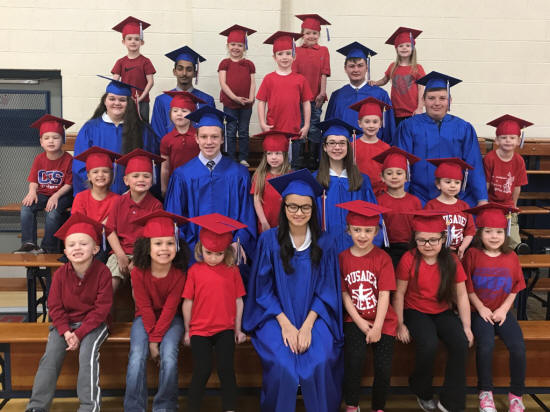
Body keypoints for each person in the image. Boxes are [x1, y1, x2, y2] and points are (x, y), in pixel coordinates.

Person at [243, 169, 344, 412]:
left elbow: (328, 289)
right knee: (284, 364)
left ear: (313, 209)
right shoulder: (269, 240)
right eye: (293, 207)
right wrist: (286, 325)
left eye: (305, 207)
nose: (299, 213)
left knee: (319, 360)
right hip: (274, 315)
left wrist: (307, 325)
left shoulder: (325, 242)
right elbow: (263, 290)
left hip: (316, 314)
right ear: (284, 207)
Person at [25, 213, 112, 412]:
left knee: (87, 354)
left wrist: (79, 334)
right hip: (65, 325)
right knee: (50, 357)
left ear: (95, 249)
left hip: (94, 324)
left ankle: (89, 407)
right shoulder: (60, 275)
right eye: (72, 245)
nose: (77, 248)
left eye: (83, 244)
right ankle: (37, 406)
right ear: (65, 251)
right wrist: (66, 332)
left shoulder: (103, 273)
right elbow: (55, 307)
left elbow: (101, 310)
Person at [393, 210, 473, 412]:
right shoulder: (409, 258)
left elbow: (462, 295)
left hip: (443, 310)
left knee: (461, 343)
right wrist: (400, 324)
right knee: (428, 344)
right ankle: (422, 389)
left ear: (443, 238)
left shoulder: (451, 260)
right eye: (421, 240)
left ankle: (451, 401)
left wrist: (466, 327)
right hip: (415, 310)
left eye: (433, 240)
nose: (427, 245)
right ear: (415, 240)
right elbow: (399, 294)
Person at [164, 106, 256, 263]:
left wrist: (238, 242)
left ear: (222, 139)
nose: (209, 142)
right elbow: (175, 218)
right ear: (196, 138)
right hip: (194, 253)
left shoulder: (239, 174)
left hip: (230, 252)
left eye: (214, 137)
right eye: (204, 137)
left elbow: (247, 216)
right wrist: (190, 249)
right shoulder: (182, 175)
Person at [462, 203, 527, 412]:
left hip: (502, 311)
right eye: (488, 231)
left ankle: (516, 395)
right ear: (480, 233)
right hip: (479, 312)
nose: (493, 236)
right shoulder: (472, 255)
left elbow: (516, 286)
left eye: (499, 232)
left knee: (518, 348)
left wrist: (504, 309)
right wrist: (481, 308)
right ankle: (485, 392)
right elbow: (466, 286)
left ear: (505, 233)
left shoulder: (511, 257)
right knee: (486, 345)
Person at [123, 211, 189, 412]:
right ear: (147, 247)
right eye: (158, 243)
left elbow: (170, 309)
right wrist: (153, 339)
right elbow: (144, 307)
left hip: (172, 319)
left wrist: (155, 339)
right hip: (145, 317)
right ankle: (134, 407)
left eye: (170, 243)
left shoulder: (179, 275)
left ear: (177, 246)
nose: (164, 249)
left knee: (169, 355)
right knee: (136, 356)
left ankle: (165, 407)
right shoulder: (138, 273)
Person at [182, 214, 248, 412]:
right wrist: (187, 330)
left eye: (218, 254)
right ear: (200, 248)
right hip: (199, 330)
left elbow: (238, 301)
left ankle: (230, 408)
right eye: (208, 253)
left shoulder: (232, 271)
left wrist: (238, 329)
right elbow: (187, 302)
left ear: (226, 251)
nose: (213, 258)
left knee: (226, 370)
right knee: (202, 370)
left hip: (225, 329)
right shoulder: (194, 271)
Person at [337, 200, 398, 412]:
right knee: (354, 360)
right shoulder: (342, 258)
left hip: (383, 320)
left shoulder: (383, 258)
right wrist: (361, 323)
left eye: (368, 230)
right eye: (357, 230)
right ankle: (352, 404)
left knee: (383, 368)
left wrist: (378, 326)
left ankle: (378, 407)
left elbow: (384, 294)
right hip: (355, 319)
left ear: (376, 232)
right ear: (348, 230)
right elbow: (345, 295)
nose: (362, 235)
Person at [395, 71, 488, 206]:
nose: (437, 103)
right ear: (423, 100)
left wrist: (482, 198)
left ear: (450, 101)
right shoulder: (409, 126)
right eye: (431, 98)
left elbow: (474, 164)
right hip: (418, 196)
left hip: (455, 198)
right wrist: (401, 196)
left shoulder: (463, 128)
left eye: (442, 98)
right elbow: (401, 163)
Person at [73, 76, 160, 195]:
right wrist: (98, 191)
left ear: (129, 103)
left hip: (132, 195)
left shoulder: (142, 130)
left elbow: (149, 165)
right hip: (99, 195)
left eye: (122, 100)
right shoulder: (90, 129)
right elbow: (80, 164)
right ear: (105, 101)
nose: (117, 103)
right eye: (112, 99)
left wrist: (133, 192)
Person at [314, 118, 380, 253]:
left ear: (348, 146)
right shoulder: (314, 180)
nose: (337, 147)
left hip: (356, 250)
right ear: (325, 147)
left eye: (342, 143)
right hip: (324, 250)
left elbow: (374, 217)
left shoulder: (362, 180)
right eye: (332, 143)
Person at [106, 149, 164, 293]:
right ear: (126, 180)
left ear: (152, 179)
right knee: (109, 283)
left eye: (146, 176)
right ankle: (104, 309)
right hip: (120, 251)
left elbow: (154, 237)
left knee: (138, 284)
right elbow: (110, 230)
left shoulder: (156, 206)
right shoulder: (119, 202)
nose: (141, 179)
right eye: (135, 176)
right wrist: (120, 255)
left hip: (145, 253)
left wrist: (139, 259)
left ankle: (140, 309)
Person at [15, 115, 74, 254]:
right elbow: (34, 180)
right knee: (27, 207)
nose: (51, 141)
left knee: (52, 212)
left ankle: (48, 248)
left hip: (62, 194)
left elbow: (69, 184)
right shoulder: (39, 159)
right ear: (41, 142)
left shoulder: (68, 159)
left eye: (55, 137)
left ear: (63, 140)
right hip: (43, 193)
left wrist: (56, 196)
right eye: (46, 138)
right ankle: (29, 243)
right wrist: (32, 192)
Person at [257, 31, 314, 168]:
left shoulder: (300, 79)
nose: (284, 57)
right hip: (274, 131)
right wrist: (263, 123)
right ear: (274, 57)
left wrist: (306, 125)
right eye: (280, 54)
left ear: (294, 56)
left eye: (288, 53)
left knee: (293, 166)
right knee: (274, 166)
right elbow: (261, 102)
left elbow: (306, 103)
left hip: (294, 132)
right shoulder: (269, 78)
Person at [325, 41, 395, 144]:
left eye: (360, 65)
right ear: (345, 69)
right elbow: (329, 129)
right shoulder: (337, 96)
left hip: (373, 149)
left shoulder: (380, 94)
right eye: (351, 66)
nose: (356, 70)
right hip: (345, 150)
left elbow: (389, 128)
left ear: (367, 68)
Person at [485, 115, 532, 250]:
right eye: (504, 137)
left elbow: (517, 186)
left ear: (519, 141)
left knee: (512, 229)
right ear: (497, 140)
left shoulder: (519, 161)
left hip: (508, 205)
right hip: (491, 204)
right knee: (491, 230)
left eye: (512, 138)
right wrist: (485, 203)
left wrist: (514, 205)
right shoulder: (490, 158)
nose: (508, 140)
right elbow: (486, 183)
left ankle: (517, 248)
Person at [150, 46, 215, 139]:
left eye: (189, 69)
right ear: (174, 71)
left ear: (195, 73)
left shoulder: (207, 101)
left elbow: (211, 131)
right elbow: (157, 133)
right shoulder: (161, 101)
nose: (184, 73)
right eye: (180, 69)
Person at [292, 14, 331, 169]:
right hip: (299, 98)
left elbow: (324, 73)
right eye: (307, 33)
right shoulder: (296, 51)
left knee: (314, 126)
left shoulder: (323, 51)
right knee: (300, 126)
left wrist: (322, 92)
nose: (311, 36)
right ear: (302, 34)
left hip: (316, 97)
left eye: (314, 33)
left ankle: (313, 159)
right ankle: (300, 158)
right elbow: (294, 76)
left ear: (319, 34)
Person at [373, 146, 422, 267]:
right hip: (387, 249)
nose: (394, 176)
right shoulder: (379, 201)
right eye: (389, 173)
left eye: (399, 173)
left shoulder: (415, 201)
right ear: (382, 177)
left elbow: (419, 227)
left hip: (411, 248)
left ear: (406, 177)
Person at [369, 27, 425, 126]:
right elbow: (384, 80)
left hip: (412, 112)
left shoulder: (417, 68)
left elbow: (421, 89)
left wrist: (420, 108)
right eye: (400, 46)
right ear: (396, 49)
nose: (404, 48)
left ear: (413, 48)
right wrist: (375, 83)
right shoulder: (393, 66)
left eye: (408, 45)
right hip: (395, 111)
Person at [218, 24, 257, 166]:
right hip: (230, 104)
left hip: (246, 104)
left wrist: (251, 98)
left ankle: (243, 157)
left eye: (240, 45)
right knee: (230, 130)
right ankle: (230, 157)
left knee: (244, 131)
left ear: (245, 47)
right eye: (233, 44)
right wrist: (235, 98)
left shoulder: (249, 64)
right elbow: (223, 84)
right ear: (227, 46)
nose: (236, 48)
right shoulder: (225, 63)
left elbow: (252, 83)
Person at [424, 158, 476, 259]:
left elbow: (470, 231)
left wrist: (463, 247)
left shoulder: (464, 206)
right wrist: (441, 246)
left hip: (459, 252)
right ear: (438, 184)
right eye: (448, 182)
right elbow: (427, 231)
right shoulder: (431, 206)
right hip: (437, 252)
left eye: (457, 182)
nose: (453, 186)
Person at [159, 90, 204, 197]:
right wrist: (164, 187)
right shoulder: (166, 139)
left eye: (184, 111)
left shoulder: (199, 136)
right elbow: (165, 167)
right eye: (175, 111)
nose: (179, 114)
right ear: (170, 114)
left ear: (192, 114)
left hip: (197, 182)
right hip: (176, 184)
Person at [111, 16, 156, 122]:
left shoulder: (146, 61)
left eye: (137, 39)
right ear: (123, 42)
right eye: (129, 39)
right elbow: (114, 82)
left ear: (142, 42)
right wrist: (118, 97)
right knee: (126, 126)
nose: (133, 42)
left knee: (142, 126)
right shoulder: (120, 62)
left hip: (142, 101)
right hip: (125, 101)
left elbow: (150, 82)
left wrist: (141, 98)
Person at [251, 130, 294, 234]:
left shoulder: (290, 176)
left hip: (286, 223)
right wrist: (263, 221)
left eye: (278, 153)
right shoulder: (260, 176)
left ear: (285, 154)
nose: (273, 157)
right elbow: (256, 200)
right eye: (269, 153)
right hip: (265, 222)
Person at [349, 97, 392, 195]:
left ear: (380, 123)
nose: (371, 125)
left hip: (379, 194)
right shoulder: (352, 146)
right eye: (367, 121)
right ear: (359, 123)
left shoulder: (386, 148)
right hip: (357, 192)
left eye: (375, 122)